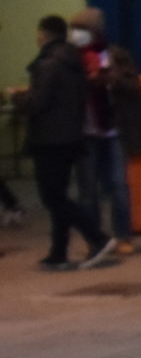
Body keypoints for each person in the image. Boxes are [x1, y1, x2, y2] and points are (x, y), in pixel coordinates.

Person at [20, 15, 115, 271]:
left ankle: (97, 237)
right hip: (71, 136)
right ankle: (58, 252)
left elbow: (39, 102)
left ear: (43, 34)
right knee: (59, 195)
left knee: (52, 197)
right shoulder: (74, 60)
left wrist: (19, 99)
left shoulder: (47, 64)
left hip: (49, 138)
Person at [66, 7, 141, 254]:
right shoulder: (70, 59)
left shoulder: (114, 55)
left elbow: (134, 86)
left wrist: (112, 78)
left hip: (113, 130)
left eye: (81, 29)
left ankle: (123, 235)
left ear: (95, 31)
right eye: (74, 29)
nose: (76, 34)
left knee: (119, 186)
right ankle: (95, 239)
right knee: (88, 190)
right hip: (84, 132)